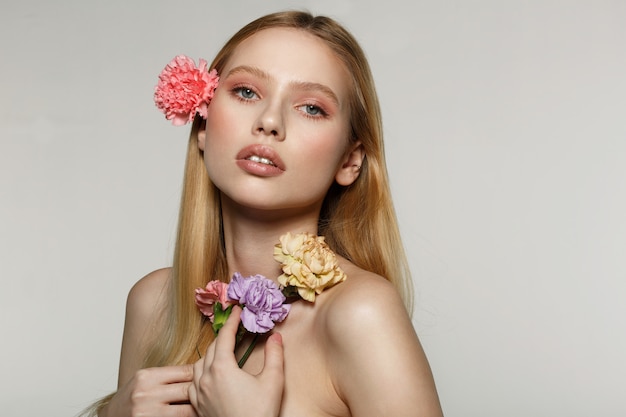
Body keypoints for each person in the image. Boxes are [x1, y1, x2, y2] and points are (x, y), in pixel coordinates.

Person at [84, 10, 443, 417]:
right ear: (203, 123)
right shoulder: (154, 304)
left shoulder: (360, 314)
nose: (269, 122)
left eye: (311, 108)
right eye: (246, 92)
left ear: (349, 160)